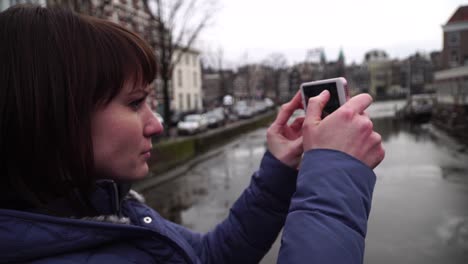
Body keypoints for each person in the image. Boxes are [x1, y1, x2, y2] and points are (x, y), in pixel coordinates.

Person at [0, 4, 384, 264]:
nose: (157, 124)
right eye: (135, 103)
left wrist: (281, 172)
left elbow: (208, 257)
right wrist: (337, 174)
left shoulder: (103, 206)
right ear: (52, 115)